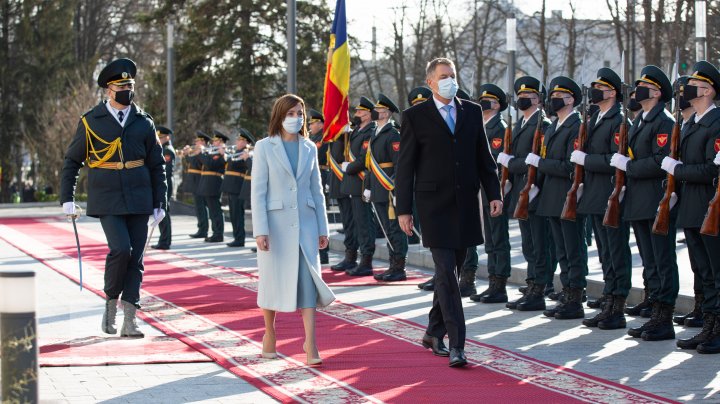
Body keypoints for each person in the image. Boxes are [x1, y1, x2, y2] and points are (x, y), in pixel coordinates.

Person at [396, 58, 502, 367]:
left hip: (466, 203)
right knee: (445, 273)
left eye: (452, 75)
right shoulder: (414, 116)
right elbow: (405, 168)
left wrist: (493, 193)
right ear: (430, 82)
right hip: (433, 206)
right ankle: (456, 344)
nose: (449, 80)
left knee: (450, 273)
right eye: (443, 76)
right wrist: (403, 209)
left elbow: (484, 157)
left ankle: (432, 331)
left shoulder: (470, 111)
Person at [60, 58, 167, 338]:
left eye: (130, 85)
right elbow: (72, 161)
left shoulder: (144, 122)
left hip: (140, 197)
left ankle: (130, 320)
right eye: (121, 86)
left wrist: (161, 202)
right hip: (107, 197)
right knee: (121, 250)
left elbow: (157, 165)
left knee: (137, 257)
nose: (127, 90)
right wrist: (67, 198)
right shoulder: (91, 121)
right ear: (109, 90)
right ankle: (110, 302)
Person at [251, 93, 335, 365]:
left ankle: (311, 343)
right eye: (290, 113)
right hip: (275, 227)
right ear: (279, 116)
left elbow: (316, 190)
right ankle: (270, 334)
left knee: (308, 281)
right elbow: (258, 191)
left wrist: (323, 227)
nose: (295, 118)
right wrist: (260, 230)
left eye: (299, 113)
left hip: (306, 225)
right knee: (271, 281)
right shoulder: (264, 147)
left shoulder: (310, 147)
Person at [612, 65, 677, 341]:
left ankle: (665, 318)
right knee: (649, 261)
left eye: (643, 86)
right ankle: (654, 312)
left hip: (654, 199)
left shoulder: (664, 122)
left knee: (662, 260)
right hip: (638, 200)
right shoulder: (640, 120)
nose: (637, 90)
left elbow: (660, 160)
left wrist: (630, 166)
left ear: (657, 92)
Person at [575, 67, 633, 330]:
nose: (596, 92)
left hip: (611, 195)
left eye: (601, 88)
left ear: (611, 92)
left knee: (616, 252)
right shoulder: (595, 119)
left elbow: (616, 160)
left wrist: (587, 160)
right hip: (595, 196)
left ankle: (617, 306)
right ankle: (608, 300)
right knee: (605, 254)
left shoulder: (619, 122)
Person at [670, 61, 720, 353]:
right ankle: (708, 325)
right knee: (701, 270)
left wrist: (677, 171)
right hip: (692, 207)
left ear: (707, 90)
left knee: (715, 271)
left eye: (694, 85)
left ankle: (716, 328)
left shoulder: (716, 123)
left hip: (710, 207)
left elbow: (709, 170)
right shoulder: (692, 122)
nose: (687, 89)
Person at [532, 76, 588, 320]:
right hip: (552, 197)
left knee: (572, 248)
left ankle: (575, 297)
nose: (553, 100)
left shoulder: (576, 126)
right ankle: (566, 293)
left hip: (568, 195)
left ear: (570, 99)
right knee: (561, 250)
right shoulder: (555, 125)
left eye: (559, 96)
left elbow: (569, 165)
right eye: (552, 96)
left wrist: (541, 164)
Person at [496, 76, 552, 311]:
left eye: (527, 96)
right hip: (521, 191)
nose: (522, 99)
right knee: (529, 244)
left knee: (539, 244)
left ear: (538, 99)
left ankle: (539, 289)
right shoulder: (520, 124)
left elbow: (536, 162)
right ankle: (531, 286)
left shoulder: (543, 124)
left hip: (535, 191)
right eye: (519, 96)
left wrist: (511, 163)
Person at [470, 83, 511, 304]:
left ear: (497, 105)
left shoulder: (500, 128)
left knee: (498, 237)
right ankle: (492, 282)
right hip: (481, 191)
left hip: (494, 190)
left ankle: (500, 284)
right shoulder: (482, 126)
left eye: (489, 100)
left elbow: (495, 160)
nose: (483, 103)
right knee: (490, 240)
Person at [366, 94, 409, 281]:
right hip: (377, 187)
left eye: (378, 110)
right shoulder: (375, 132)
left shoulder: (393, 134)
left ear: (386, 113)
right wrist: (367, 187)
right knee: (385, 228)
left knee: (394, 228)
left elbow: (399, 164)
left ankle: (399, 267)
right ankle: (392, 264)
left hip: (389, 188)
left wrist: (398, 190)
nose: (375, 112)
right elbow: (370, 164)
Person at [341, 97, 377, 276]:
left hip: (361, 181)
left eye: (361, 112)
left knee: (364, 223)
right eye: (357, 111)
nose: (357, 114)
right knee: (355, 222)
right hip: (352, 183)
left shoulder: (370, 131)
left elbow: (364, 158)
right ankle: (355, 257)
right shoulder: (356, 130)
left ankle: (366, 260)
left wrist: (349, 167)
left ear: (369, 114)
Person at [223, 128, 255, 247]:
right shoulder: (236, 152)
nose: (237, 142)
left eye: (240, 140)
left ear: (246, 142)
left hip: (239, 186)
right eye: (238, 140)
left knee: (238, 214)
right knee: (233, 214)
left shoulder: (246, 153)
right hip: (231, 185)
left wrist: (246, 157)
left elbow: (249, 167)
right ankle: (236, 237)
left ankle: (240, 238)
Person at [308, 109, 330, 263]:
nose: (310, 126)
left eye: (313, 123)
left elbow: (320, 155)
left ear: (320, 124)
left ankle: (323, 254)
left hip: (321, 175)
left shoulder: (324, 137)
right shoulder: (310, 137)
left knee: (320, 215)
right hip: (309, 177)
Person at [198, 130, 228, 242]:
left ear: (221, 142)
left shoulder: (221, 153)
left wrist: (201, 153)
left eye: (216, 141)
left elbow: (210, 164)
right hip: (207, 183)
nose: (213, 142)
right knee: (212, 210)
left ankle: (218, 234)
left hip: (214, 183)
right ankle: (215, 232)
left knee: (215, 210)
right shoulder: (213, 152)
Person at [152, 126, 176, 250]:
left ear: (168, 137)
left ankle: (165, 241)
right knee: (162, 211)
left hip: (165, 182)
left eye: (161, 137)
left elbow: (165, 170)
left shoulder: (167, 150)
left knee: (163, 211)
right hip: (163, 182)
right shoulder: (163, 149)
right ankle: (163, 239)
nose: (159, 139)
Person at [183, 131, 211, 239]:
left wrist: (198, 152)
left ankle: (203, 229)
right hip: (195, 181)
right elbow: (191, 161)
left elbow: (200, 163)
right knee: (198, 207)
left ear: (203, 142)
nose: (196, 142)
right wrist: (186, 155)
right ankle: (201, 228)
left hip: (200, 180)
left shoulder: (205, 152)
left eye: (198, 140)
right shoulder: (198, 152)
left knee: (202, 206)